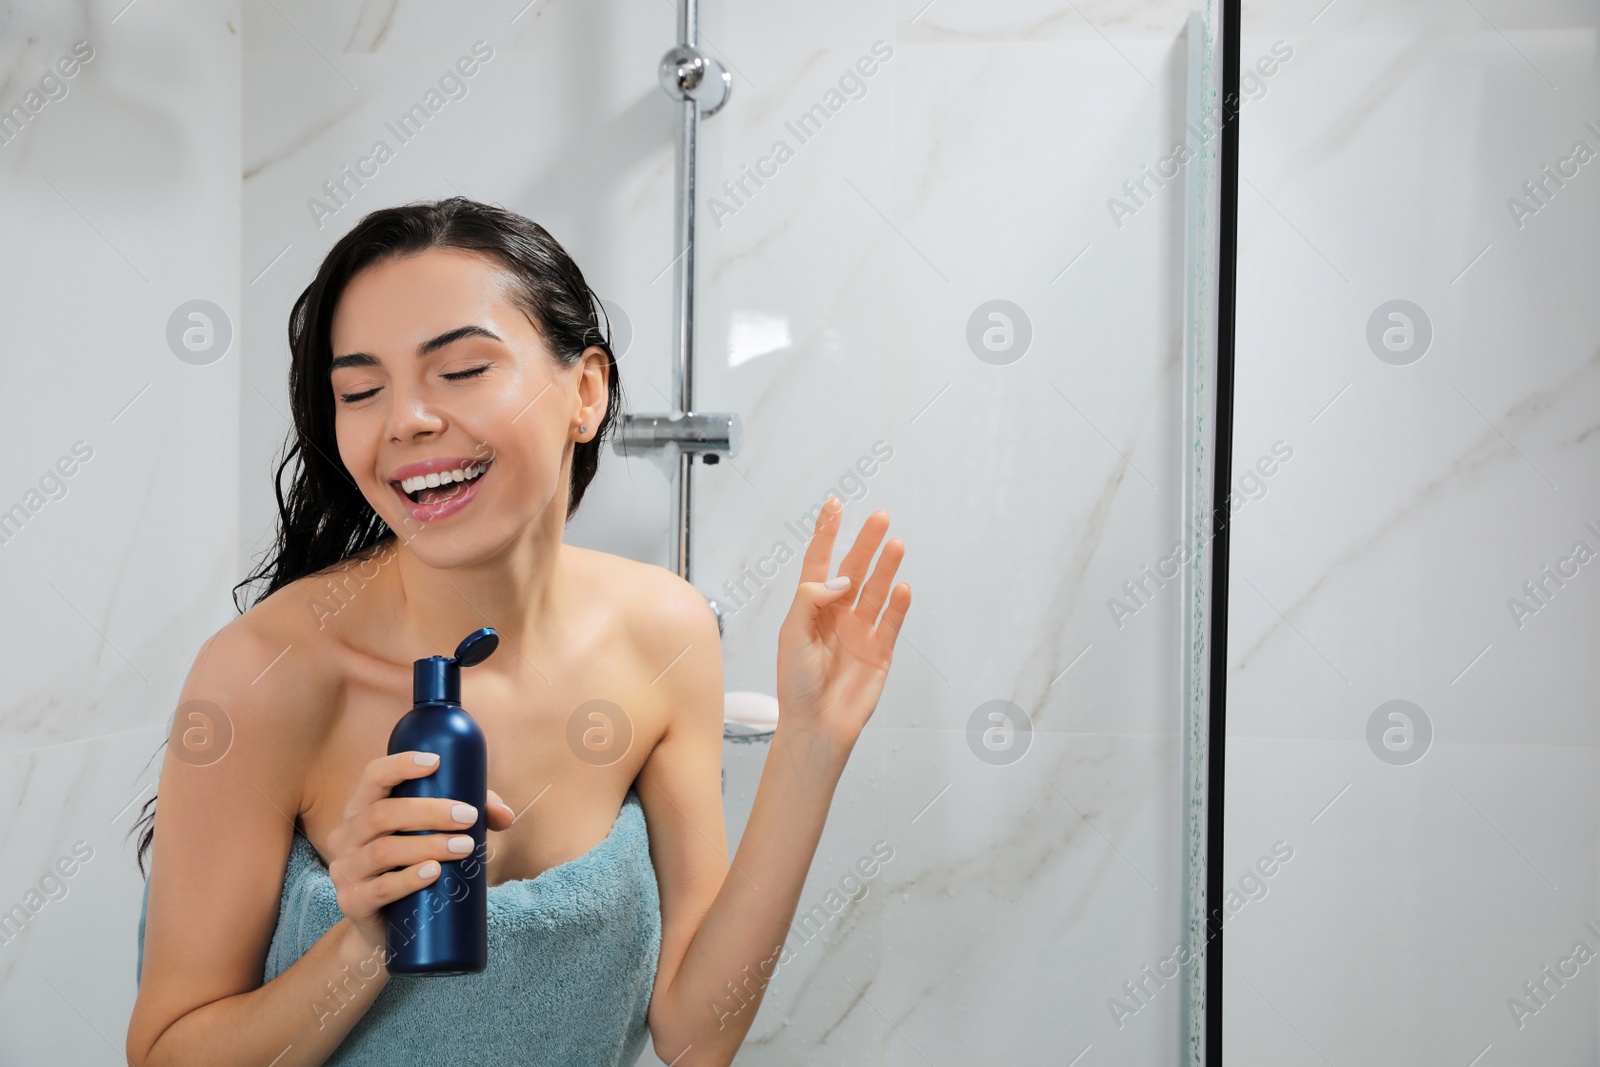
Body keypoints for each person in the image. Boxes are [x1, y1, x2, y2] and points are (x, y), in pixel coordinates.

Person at [124, 197, 912, 1067]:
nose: (407, 420)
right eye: (360, 389)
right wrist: (368, 943)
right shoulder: (265, 674)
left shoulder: (663, 631)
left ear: (585, 391)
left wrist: (813, 741)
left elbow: (697, 1036)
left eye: (461, 370)